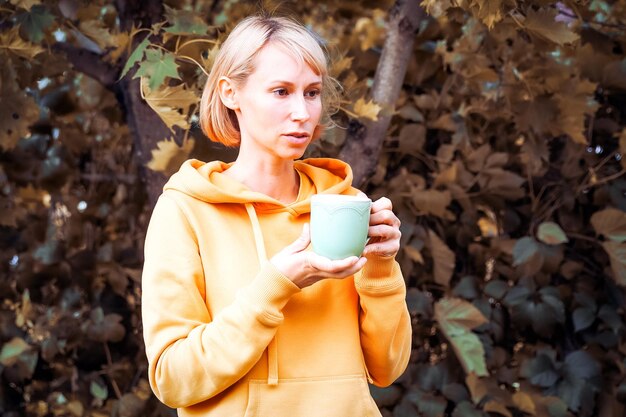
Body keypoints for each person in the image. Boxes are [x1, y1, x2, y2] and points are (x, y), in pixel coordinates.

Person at [141, 14, 412, 417]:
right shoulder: (186, 209)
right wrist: (275, 285)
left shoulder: (345, 205)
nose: (303, 113)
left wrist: (380, 268)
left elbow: (387, 368)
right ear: (231, 93)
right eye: (281, 91)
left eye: (312, 92)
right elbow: (173, 378)